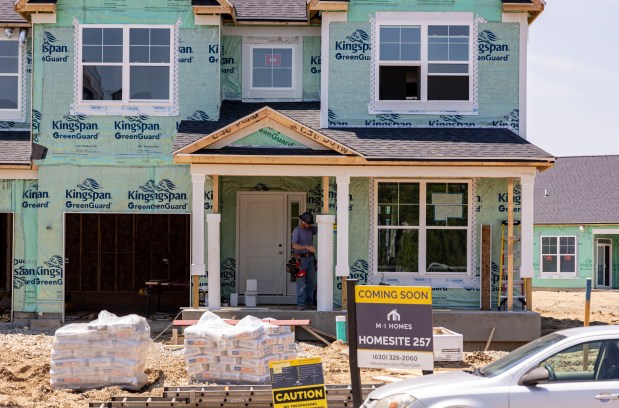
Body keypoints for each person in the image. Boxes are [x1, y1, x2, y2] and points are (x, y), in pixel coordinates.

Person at [291, 211, 318, 311]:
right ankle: (301, 304)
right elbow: (294, 245)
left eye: (310, 223)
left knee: (311, 281)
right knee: (301, 282)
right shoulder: (297, 230)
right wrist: (307, 246)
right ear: (302, 221)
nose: (309, 225)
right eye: (307, 223)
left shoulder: (310, 229)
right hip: (300, 259)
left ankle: (309, 303)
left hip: (310, 258)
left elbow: (323, 229)